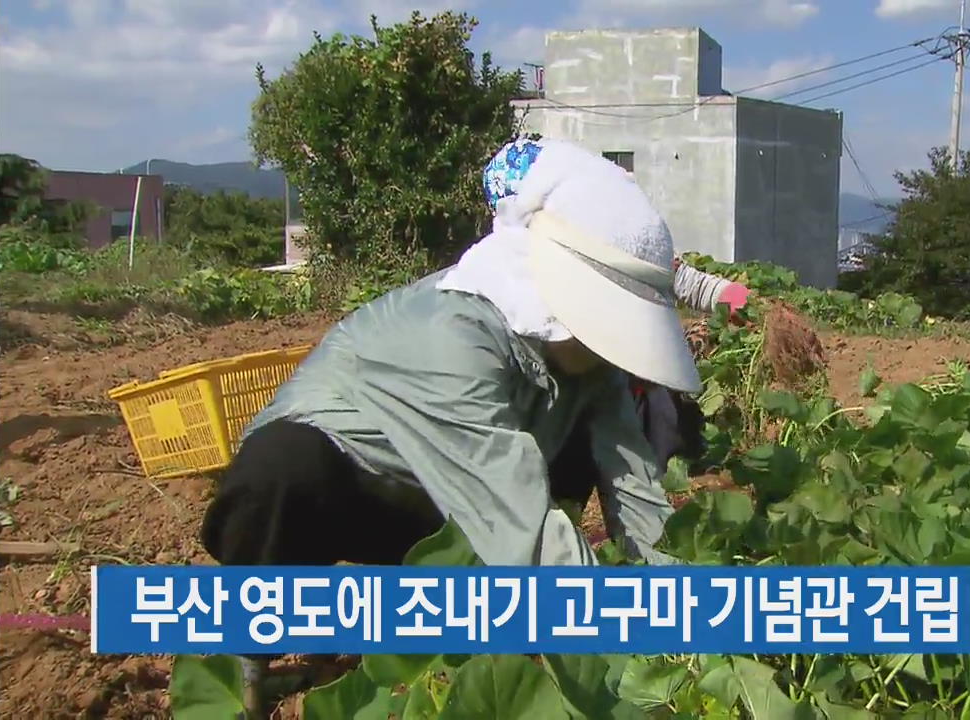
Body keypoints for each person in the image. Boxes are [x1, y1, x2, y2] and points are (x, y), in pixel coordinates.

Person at [199, 137, 707, 716]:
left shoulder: (590, 361)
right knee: (282, 471)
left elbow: (633, 486)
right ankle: (245, 667)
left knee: (574, 454)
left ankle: (507, 627)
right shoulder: (456, 337)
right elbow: (520, 522)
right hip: (355, 480)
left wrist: (684, 612)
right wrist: (624, 638)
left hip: (454, 500)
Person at [476, 136, 751, 513]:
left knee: (656, 448)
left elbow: (671, 276)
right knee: (568, 467)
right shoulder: (504, 269)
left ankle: (667, 505)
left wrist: (723, 293)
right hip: (566, 391)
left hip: (638, 378)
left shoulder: (601, 238)